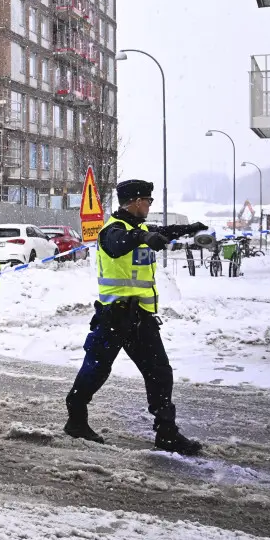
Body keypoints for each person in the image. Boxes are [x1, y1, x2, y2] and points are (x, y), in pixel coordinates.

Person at [64, 179, 209, 455]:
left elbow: (161, 231)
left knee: (160, 373)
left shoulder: (140, 228)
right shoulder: (112, 231)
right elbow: (119, 244)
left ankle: (166, 432)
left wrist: (189, 229)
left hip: (140, 319)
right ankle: (76, 418)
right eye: (148, 201)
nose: (150, 205)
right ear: (134, 202)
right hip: (112, 317)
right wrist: (143, 238)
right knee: (95, 370)